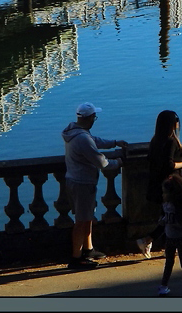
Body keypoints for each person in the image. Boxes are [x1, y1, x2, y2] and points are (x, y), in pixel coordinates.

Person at [62, 102, 127, 269]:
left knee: (87, 217)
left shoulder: (75, 132)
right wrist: (118, 162)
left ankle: (88, 249)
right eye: (94, 117)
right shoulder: (82, 138)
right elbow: (101, 162)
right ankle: (76, 259)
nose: (95, 120)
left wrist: (114, 142)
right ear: (90, 118)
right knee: (81, 221)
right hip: (82, 183)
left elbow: (94, 141)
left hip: (76, 180)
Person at [137, 110, 182, 259]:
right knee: (172, 216)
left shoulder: (155, 140)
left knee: (167, 216)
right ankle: (148, 240)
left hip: (158, 184)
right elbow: (169, 164)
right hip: (171, 186)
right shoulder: (171, 141)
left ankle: (167, 247)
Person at [155, 174, 182, 297]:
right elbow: (165, 219)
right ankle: (165, 286)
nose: (163, 195)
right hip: (171, 238)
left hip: (180, 238)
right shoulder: (166, 206)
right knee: (171, 263)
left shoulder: (180, 208)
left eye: (165, 193)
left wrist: (180, 226)